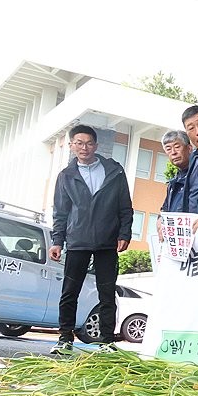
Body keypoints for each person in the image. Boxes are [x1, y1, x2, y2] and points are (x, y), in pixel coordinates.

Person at [48, 124, 132, 353]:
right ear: (73, 145)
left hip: (107, 241)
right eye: (79, 143)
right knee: (69, 292)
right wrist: (57, 241)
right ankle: (64, 338)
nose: (84, 147)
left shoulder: (114, 171)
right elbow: (61, 212)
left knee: (107, 293)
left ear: (96, 145)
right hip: (77, 241)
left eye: (89, 143)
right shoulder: (66, 176)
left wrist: (124, 233)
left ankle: (106, 341)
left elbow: (125, 205)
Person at [159, 130, 192, 213]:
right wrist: (160, 217)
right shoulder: (174, 181)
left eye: (177, 147)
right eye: (168, 149)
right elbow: (165, 208)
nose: (173, 152)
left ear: (189, 148)